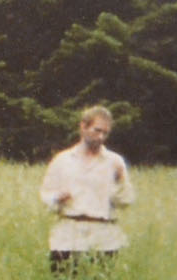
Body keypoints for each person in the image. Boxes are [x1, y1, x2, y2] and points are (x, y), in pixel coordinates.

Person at [39, 105, 134, 271]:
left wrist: (119, 182)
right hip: (67, 237)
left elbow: (125, 201)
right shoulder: (62, 160)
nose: (101, 137)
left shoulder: (114, 162)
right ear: (83, 126)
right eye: (97, 130)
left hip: (103, 239)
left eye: (105, 133)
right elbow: (45, 195)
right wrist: (56, 198)